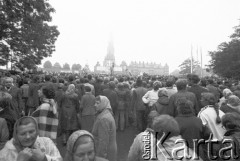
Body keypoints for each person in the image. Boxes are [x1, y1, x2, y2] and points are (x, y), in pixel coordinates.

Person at [92, 96, 117, 161]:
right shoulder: (106, 113)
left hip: (105, 153)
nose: (95, 105)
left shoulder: (103, 118)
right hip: (110, 150)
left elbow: (103, 141)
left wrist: (100, 157)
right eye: (95, 103)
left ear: (103, 104)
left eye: (97, 103)